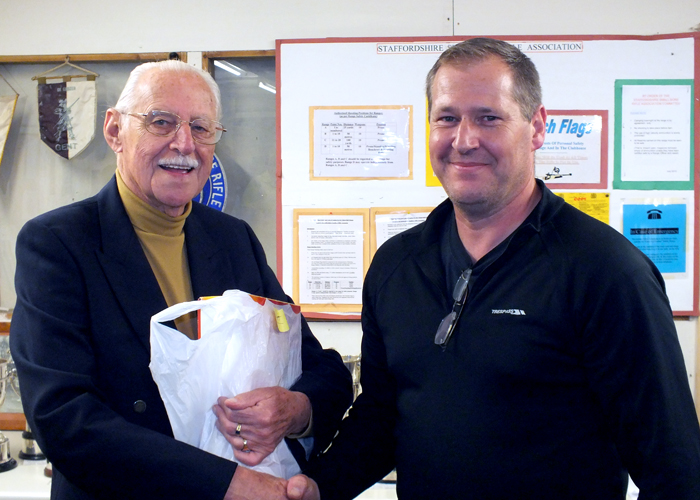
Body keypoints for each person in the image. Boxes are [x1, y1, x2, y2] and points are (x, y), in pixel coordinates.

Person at [285, 37, 700, 499]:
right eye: (447, 118)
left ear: (536, 126)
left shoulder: (606, 272)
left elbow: (673, 466)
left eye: (489, 117)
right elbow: (385, 415)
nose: (464, 140)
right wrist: (318, 486)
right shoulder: (396, 266)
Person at [10, 60, 353, 500]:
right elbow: (63, 417)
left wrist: (296, 409)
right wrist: (229, 485)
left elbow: (317, 366)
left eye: (202, 127)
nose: (184, 143)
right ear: (115, 131)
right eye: (161, 122)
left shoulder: (232, 239)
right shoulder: (58, 244)